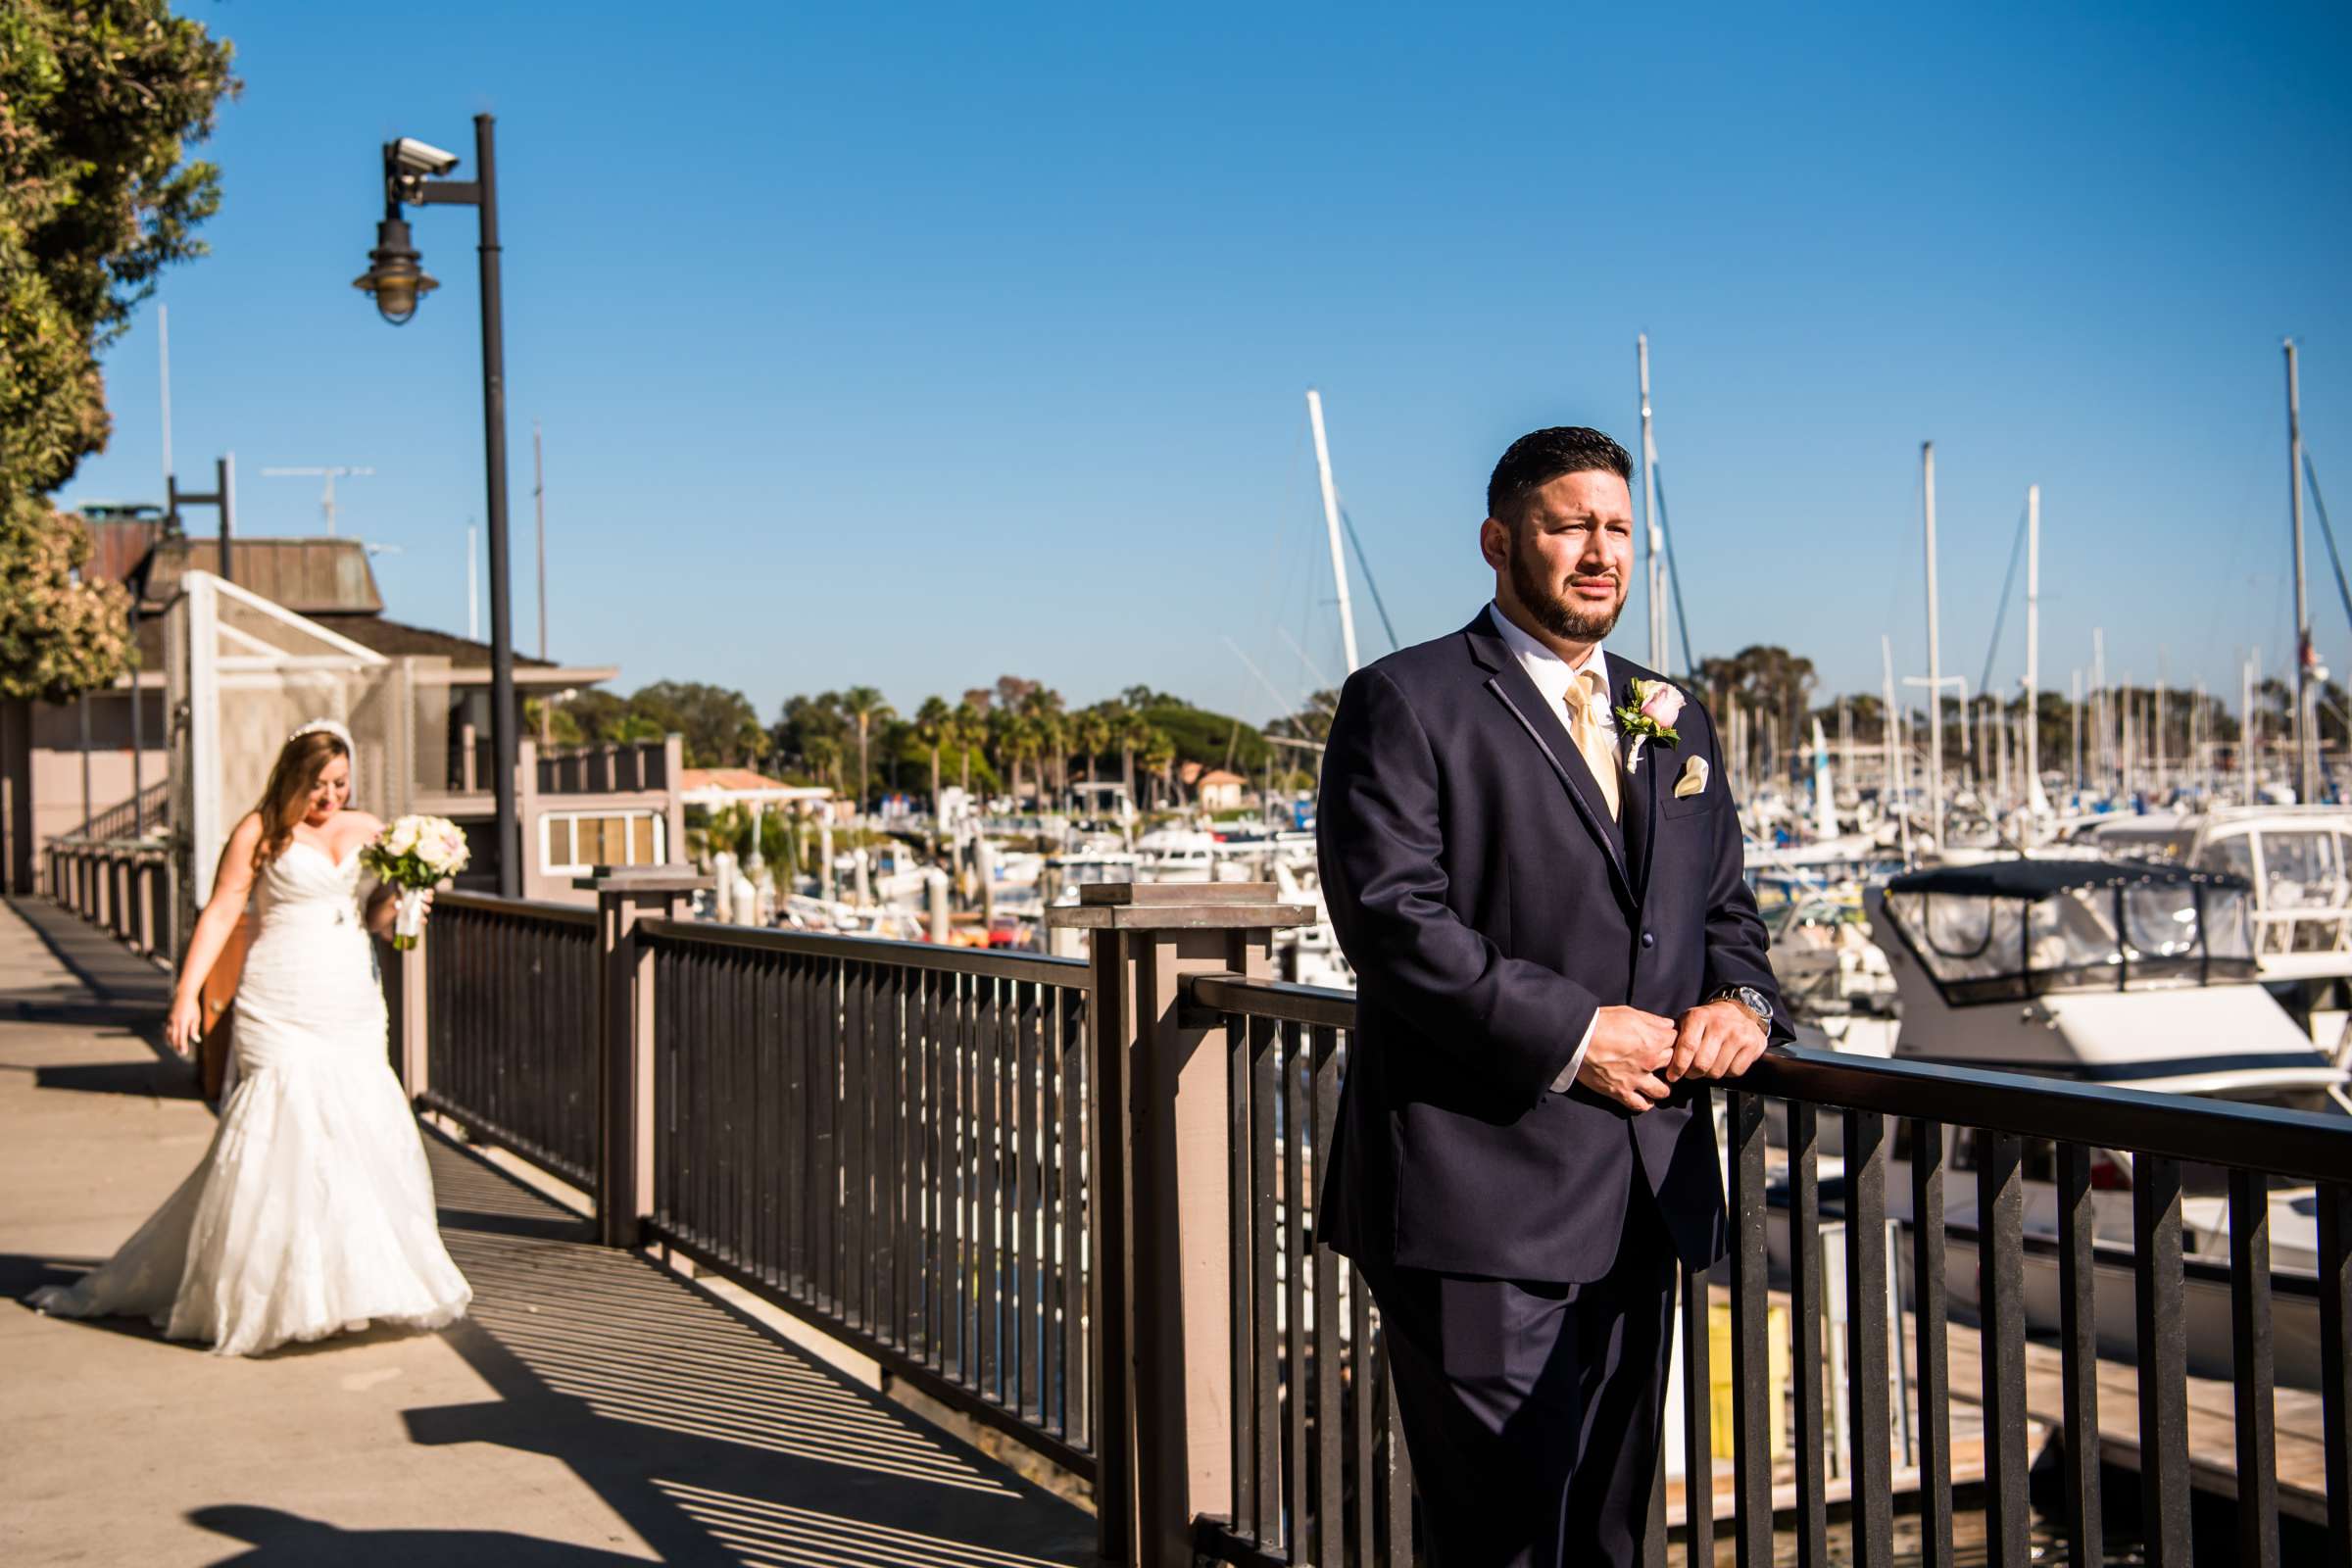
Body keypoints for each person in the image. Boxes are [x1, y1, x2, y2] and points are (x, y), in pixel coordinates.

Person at [1315, 427, 1788, 1567]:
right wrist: (1576, 1034)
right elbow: (1394, 922)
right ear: (1497, 540)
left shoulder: (1675, 714)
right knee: (1505, 1539)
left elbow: (1724, 907)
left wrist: (1745, 1002)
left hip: (1647, 1190)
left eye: (1619, 528)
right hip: (1479, 1196)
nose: (1600, 551)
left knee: (1610, 1535)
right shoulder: (1406, 699)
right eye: (1569, 523)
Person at [30, 719, 470, 1356]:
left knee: (353, 1127)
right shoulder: (259, 831)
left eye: (340, 784)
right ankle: (268, 1293)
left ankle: (346, 1286)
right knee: (278, 1125)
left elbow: (375, 916)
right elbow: (220, 910)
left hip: (348, 996)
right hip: (279, 992)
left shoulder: (371, 830)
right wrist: (185, 994)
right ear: (293, 777)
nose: (329, 799)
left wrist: (406, 903)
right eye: (317, 785)